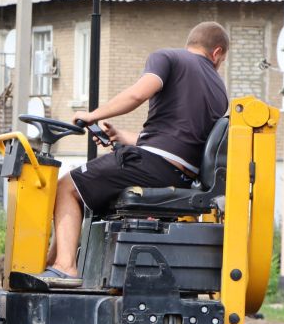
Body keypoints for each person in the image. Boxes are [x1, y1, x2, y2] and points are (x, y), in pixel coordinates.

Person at [41, 21, 230, 283]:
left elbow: (137, 95)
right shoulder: (220, 90)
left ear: (214, 51)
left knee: (66, 187)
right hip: (178, 175)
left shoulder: (167, 57)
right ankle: (52, 266)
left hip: (151, 164)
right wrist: (122, 137)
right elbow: (180, 138)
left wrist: (92, 115)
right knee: (83, 190)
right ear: (217, 53)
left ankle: (65, 266)